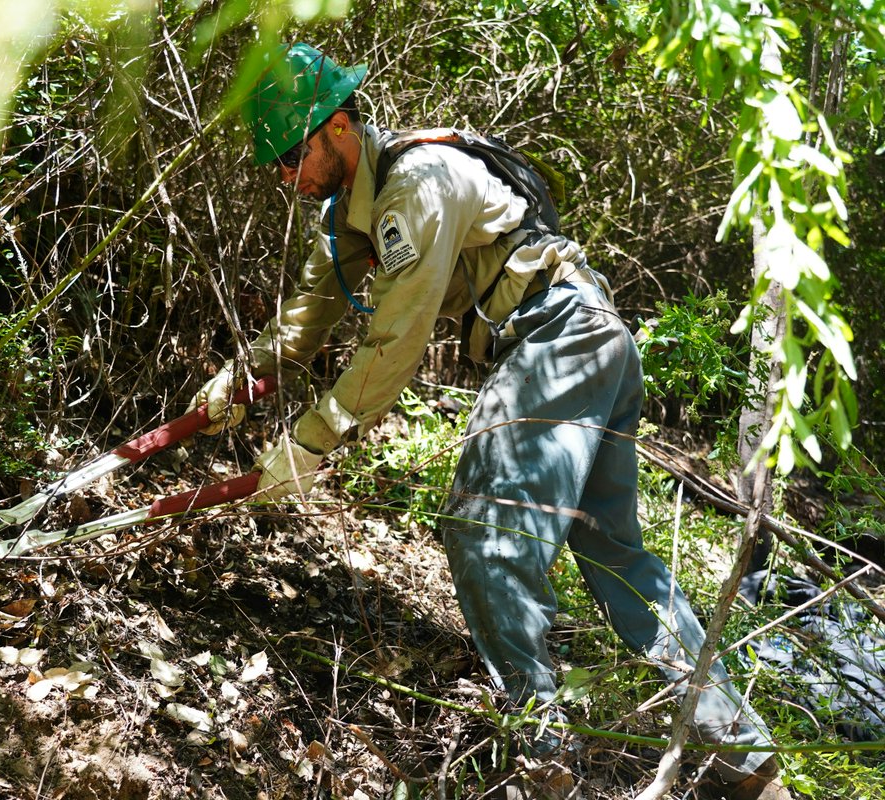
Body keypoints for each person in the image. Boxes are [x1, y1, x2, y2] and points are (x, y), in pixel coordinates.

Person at [190, 42, 790, 800]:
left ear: (340, 125)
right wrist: (238, 380)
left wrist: (309, 443)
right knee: (616, 560)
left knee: (484, 528)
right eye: (275, 166)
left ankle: (545, 760)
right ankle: (743, 759)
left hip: (558, 336)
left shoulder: (417, 185)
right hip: (592, 338)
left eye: (291, 154)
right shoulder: (349, 213)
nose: (287, 177)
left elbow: (397, 338)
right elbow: (306, 319)